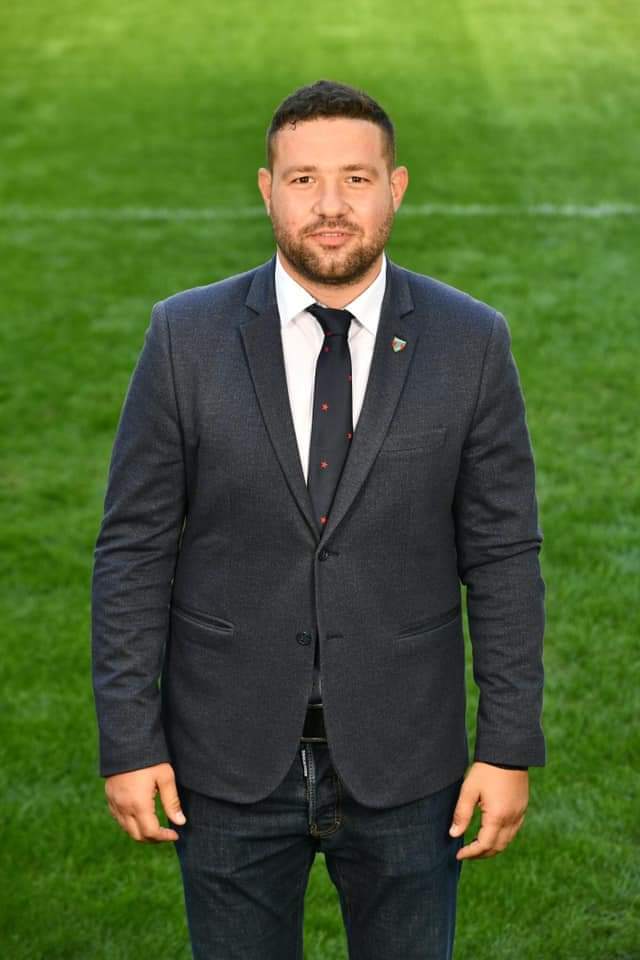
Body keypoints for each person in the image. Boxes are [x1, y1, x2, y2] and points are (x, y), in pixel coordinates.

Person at [91, 79, 546, 960]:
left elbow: (502, 556)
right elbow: (133, 551)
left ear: (395, 187)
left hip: (409, 763)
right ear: (268, 190)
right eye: (304, 180)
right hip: (223, 762)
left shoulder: (471, 341)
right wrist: (128, 741)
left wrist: (507, 746)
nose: (330, 206)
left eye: (355, 179)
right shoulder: (184, 338)